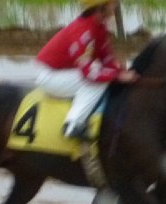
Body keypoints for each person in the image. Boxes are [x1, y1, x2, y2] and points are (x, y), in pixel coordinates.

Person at [35, 0, 139, 140]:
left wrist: (121, 71)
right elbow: (89, 73)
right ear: (101, 6)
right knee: (98, 81)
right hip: (49, 76)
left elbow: (106, 59)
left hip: (64, 72)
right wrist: (117, 76)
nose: (116, 5)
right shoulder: (84, 31)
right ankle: (72, 125)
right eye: (113, 3)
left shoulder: (99, 26)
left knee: (105, 73)